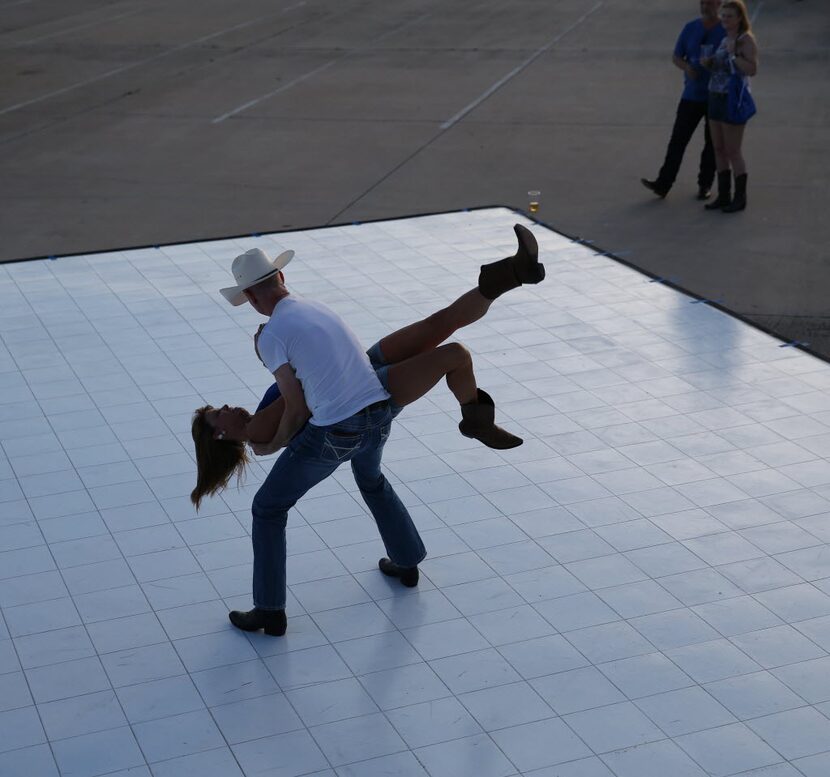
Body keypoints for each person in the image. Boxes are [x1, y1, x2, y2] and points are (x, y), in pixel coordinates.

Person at [196, 225, 544, 636]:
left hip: (346, 426)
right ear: (282, 278)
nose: (227, 407)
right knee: (435, 334)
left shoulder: (271, 342)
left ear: (250, 298)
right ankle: (407, 558)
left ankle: (270, 611)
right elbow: (308, 388)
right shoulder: (313, 307)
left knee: (268, 509)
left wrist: (271, 445)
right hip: (377, 409)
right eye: (220, 412)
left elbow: (298, 406)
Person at [641, 0, 725, 200]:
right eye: (703, 2)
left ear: (719, 4)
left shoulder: (725, 29)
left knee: (711, 143)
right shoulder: (690, 28)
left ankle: (704, 184)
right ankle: (664, 183)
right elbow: (677, 56)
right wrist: (687, 68)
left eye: (710, 3)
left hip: (716, 95)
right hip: (692, 95)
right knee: (678, 140)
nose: (705, 6)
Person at [701, 0, 758, 212]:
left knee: (733, 150)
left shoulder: (745, 40)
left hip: (732, 98)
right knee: (718, 148)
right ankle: (724, 195)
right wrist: (709, 63)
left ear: (739, 18)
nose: (725, 19)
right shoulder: (725, 38)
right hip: (715, 94)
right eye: (723, 15)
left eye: (729, 16)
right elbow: (721, 65)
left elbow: (751, 69)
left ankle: (740, 197)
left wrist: (734, 54)